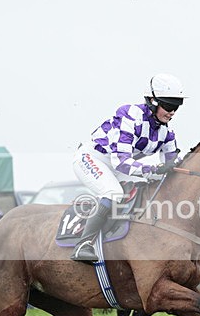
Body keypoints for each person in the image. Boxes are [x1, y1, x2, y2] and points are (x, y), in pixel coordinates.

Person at [70, 73, 184, 262]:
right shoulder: (130, 115)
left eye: (176, 107)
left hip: (117, 167)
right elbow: (121, 162)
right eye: (169, 106)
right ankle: (84, 244)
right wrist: (153, 170)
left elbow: (172, 165)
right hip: (92, 158)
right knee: (113, 192)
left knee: (148, 190)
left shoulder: (167, 132)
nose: (172, 112)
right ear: (153, 102)